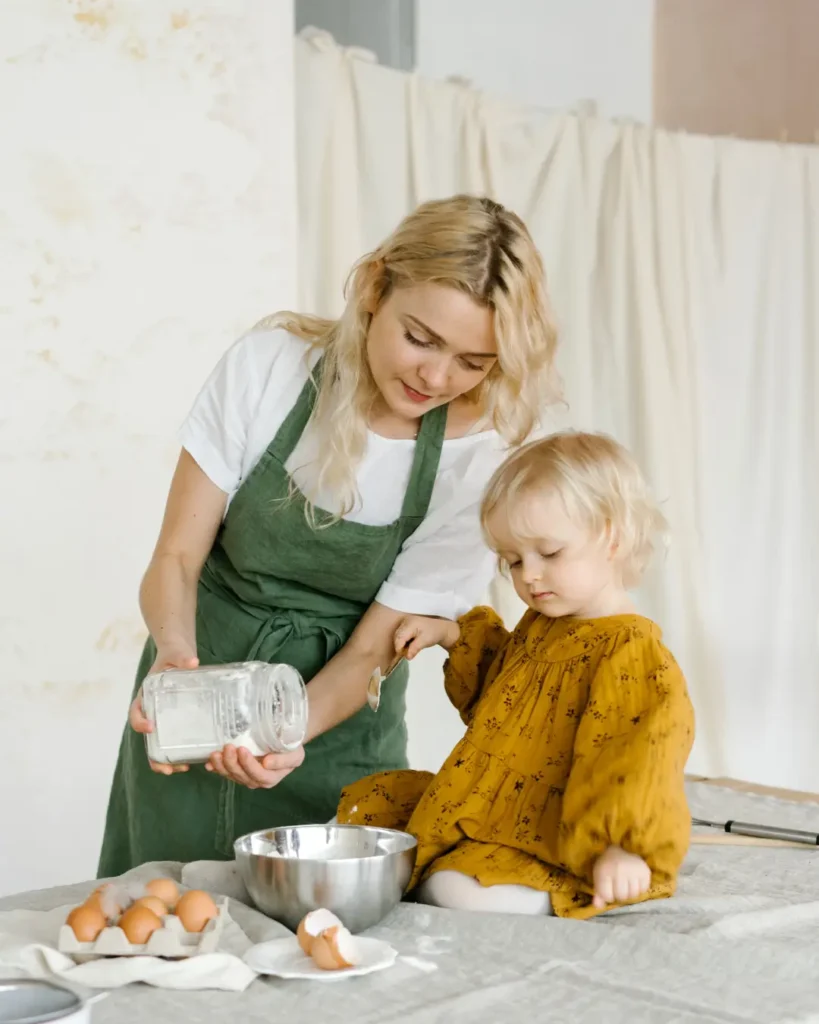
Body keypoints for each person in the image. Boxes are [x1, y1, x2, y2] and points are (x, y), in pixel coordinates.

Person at [97, 194, 560, 877]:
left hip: (338, 719)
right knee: (161, 914)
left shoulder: (484, 456)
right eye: (420, 338)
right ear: (374, 287)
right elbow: (175, 556)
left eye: (472, 362)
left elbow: (375, 646)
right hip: (200, 684)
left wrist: (283, 735)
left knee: (320, 936)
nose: (435, 377)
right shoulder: (270, 369)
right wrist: (174, 655)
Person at [337, 432, 695, 919]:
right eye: (513, 561)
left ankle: (568, 885)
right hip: (498, 806)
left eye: (549, 554)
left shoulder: (631, 654)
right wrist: (449, 635)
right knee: (367, 822)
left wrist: (621, 847)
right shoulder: (545, 625)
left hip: (557, 831)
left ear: (611, 537)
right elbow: (500, 704)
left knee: (454, 888)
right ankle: (245, 875)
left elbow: (638, 759)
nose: (529, 576)